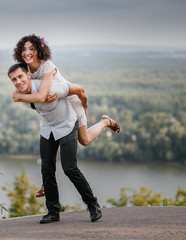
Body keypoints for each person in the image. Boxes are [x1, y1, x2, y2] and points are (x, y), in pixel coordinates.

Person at [12, 34, 120, 197]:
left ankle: (105, 122)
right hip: (51, 109)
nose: (27, 52)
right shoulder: (25, 70)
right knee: (51, 142)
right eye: (24, 49)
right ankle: (45, 183)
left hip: (70, 101)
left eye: (31, 49)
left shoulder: (47, 67)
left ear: (38, 50)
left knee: (84, 140)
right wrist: (24, 95)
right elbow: (36, 94)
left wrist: (84, 107)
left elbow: (51, 94)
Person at [8, 63, 102, 223]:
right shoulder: (21, 94)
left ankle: (93, 205)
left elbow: (79, 90)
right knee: (47, 168)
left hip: (67, 125)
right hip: (47, 128)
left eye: (20, 76)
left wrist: (84, 110)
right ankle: (53, 212)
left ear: (29, 75)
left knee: (69, 168)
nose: (18, 82)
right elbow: (30, 100)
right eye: (14, 79)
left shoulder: (51, 88)